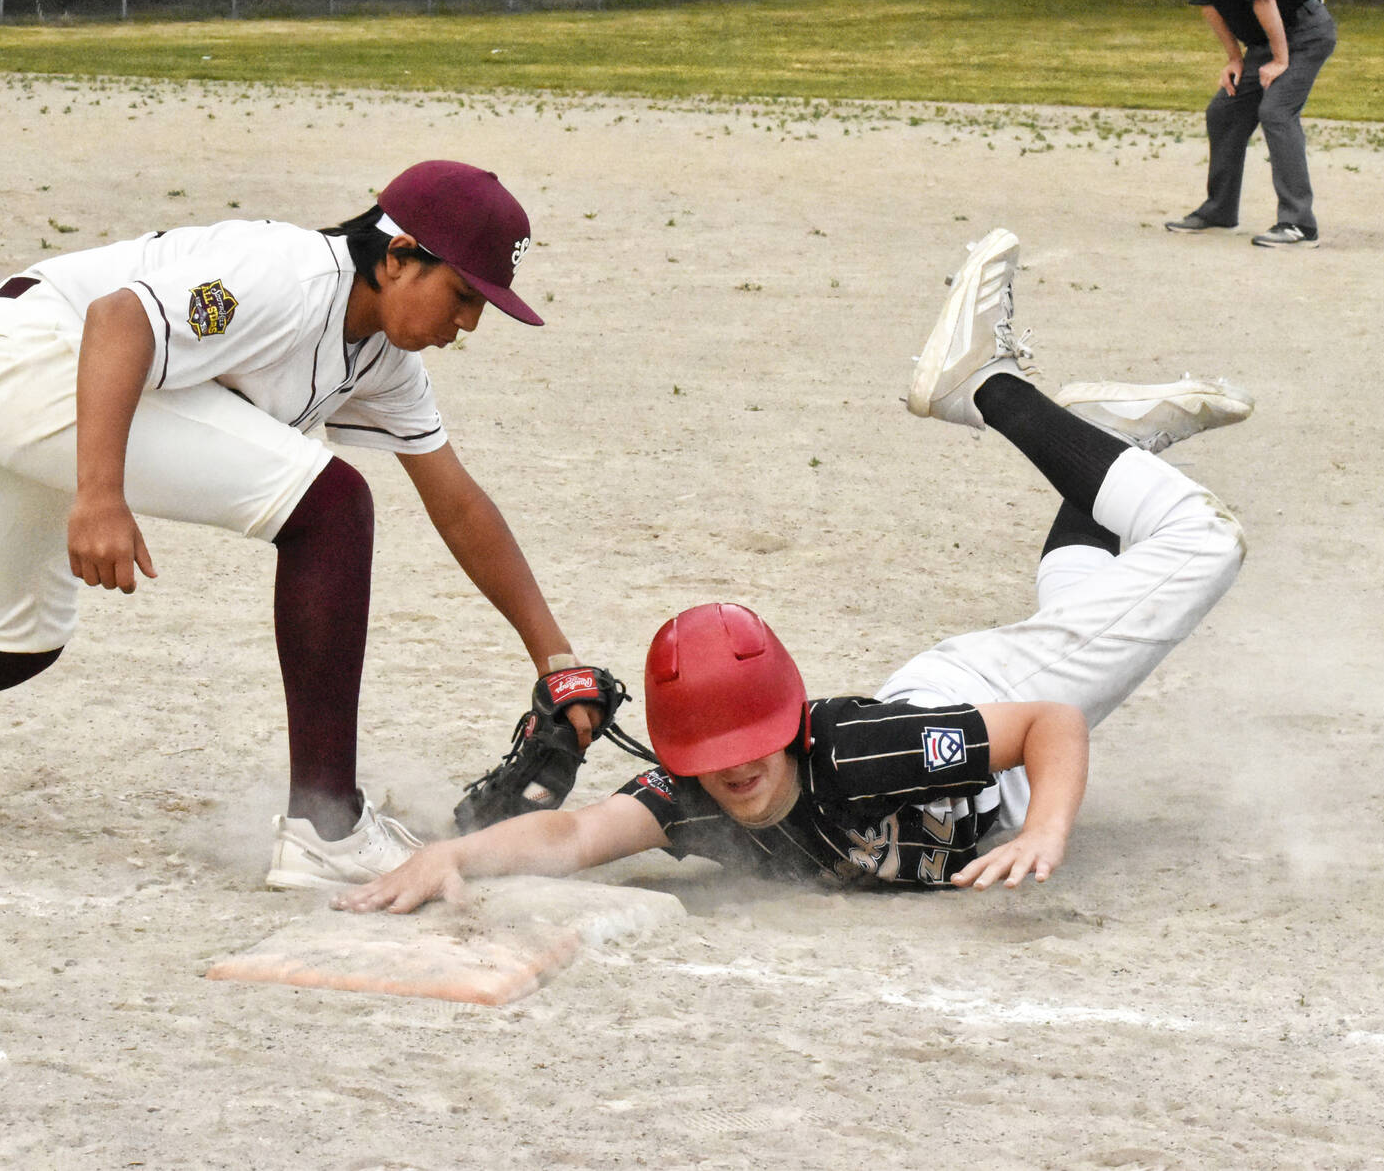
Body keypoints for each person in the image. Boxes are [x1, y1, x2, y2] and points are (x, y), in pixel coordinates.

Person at [0, 160, 612, 891]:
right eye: (465, 295)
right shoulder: (288, 274)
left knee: (15, 641)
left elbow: (455, 498)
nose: (470, 322)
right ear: (399, 253)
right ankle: (326, 826)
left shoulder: (382, 358)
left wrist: (552, 654)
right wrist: (98, 495)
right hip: (23, 361)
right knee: (330, 504)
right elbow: (121, 318)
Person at [336, 228, 1251, 910]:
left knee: (1205, 544)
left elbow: (1051, 721)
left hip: (981, 695)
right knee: (1088, 603)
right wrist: (460, 855)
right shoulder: (699, 797)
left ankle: (989, 389)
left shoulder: (861, 756)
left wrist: (1050, 828)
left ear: (789, 724)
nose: (736, 772)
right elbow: (577, 833)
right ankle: (1116, 450)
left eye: (749, 744)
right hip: (965, 699)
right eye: (713, 754)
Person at [1157, 0, 1338, 250]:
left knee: (1275, 111)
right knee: (1223, 110)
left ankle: (1299, 224)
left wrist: (1281, 59)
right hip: (1268, 42)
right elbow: (1207, 4)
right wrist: (1235, 59)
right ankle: (1221, 209)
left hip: (1304, 32)